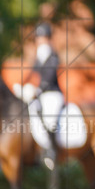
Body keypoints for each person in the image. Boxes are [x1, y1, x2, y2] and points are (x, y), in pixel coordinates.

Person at [26, 22, 64, 170]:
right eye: (38, 37)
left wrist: (37, 90)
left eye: (43, 37)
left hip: (52, 94)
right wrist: (24, 86)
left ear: (48, 38)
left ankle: (51, 150)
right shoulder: (39, 56)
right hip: (41, 95)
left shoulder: (53, 55)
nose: (40, 40)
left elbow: (49, 77)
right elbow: (32, 75)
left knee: (49, 118)